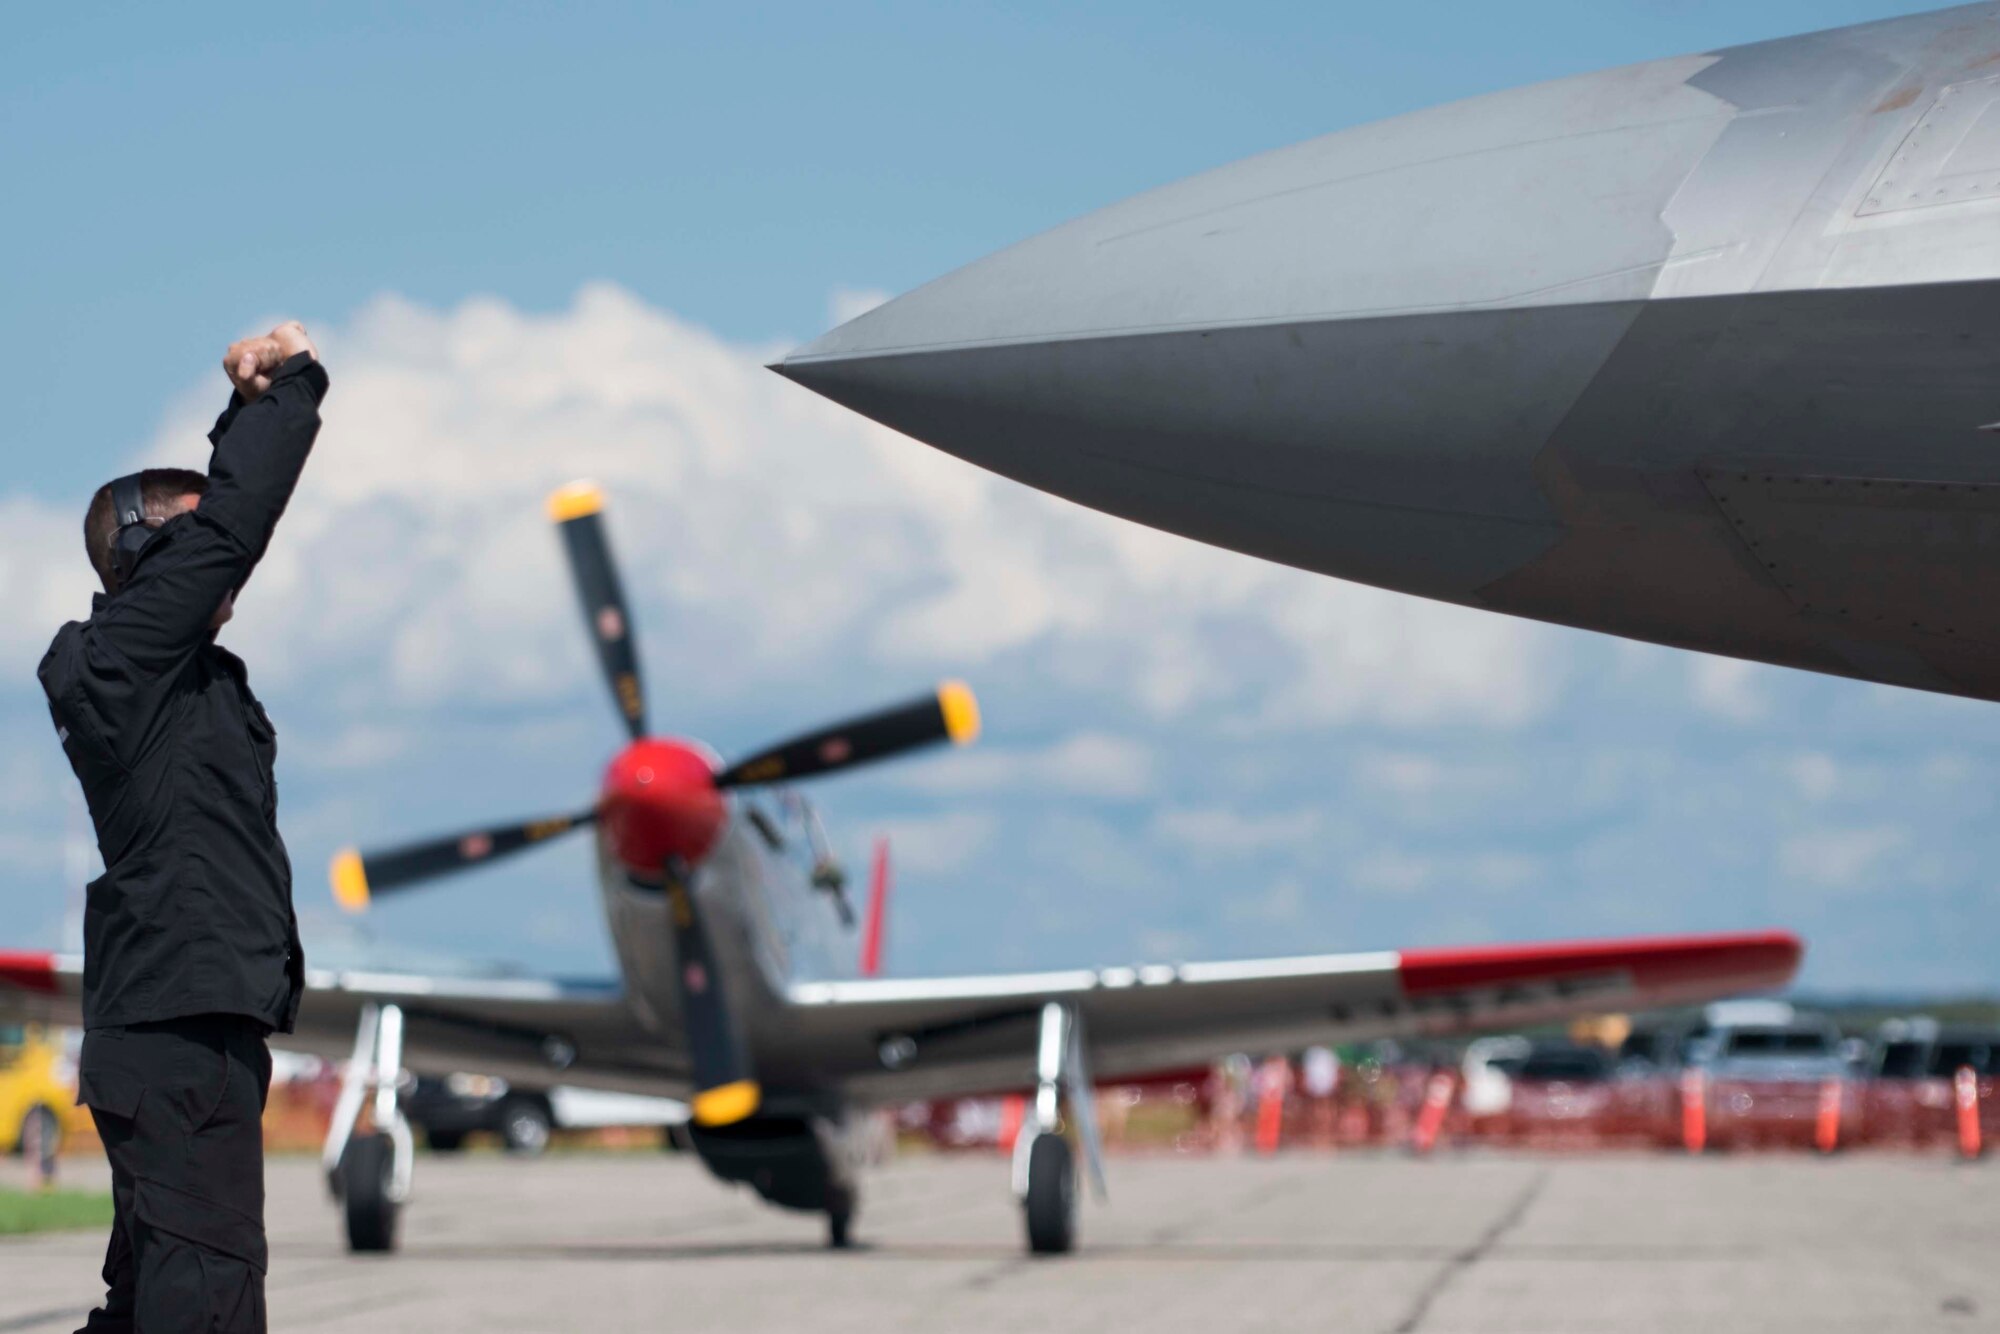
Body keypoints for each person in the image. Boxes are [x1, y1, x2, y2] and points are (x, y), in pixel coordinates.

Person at [39, 322, 327, 1333]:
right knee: (203, 1304)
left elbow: (208, 525)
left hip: (184, 1033)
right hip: (175, 1037)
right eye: (192, 551)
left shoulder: (161, 675)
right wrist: (287, 388)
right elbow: (228, 523)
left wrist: (243, 412)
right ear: (153, 558)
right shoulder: (124, 658)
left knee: (159, 1302)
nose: (225, 576)